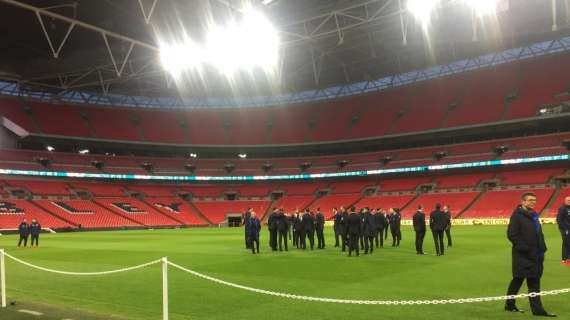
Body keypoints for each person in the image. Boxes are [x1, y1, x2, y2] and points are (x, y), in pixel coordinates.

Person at [505, 192, 556, 317]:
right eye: (530, 200)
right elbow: (512, 234)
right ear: (523, 201)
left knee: (529, 281)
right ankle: (515, 305)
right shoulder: (517, 215)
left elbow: (538, 233)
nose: (533, 202)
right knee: (521, 280)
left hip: (536, 255)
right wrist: (525, 249)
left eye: (534, 200)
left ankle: (530, 309)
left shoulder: (533, 215)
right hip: (523, 255)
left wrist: (542, 248)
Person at [556, 196, 570, 265]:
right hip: (565, 229)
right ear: (565, 201)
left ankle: (568, 258)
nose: (569, 201)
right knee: (566, 243)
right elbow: (559, 220)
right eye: (568, 200)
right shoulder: (562, 208)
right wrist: (564, 229)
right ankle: (564, 259)